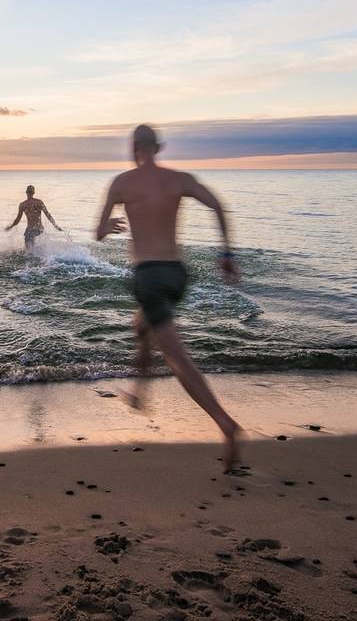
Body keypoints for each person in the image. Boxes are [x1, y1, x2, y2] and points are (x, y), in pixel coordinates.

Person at [95, 124, 244, 472]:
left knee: (177, 358)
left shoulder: (121, 183)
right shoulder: (180, 179)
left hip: (149, 277)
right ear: (158, 148)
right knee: (142, 326)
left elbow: (98, 233)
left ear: (133, 149)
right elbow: (218, 206)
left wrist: (111, 226)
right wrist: (227, 255)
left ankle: (226, 424)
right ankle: (140, 394)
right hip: (176, 275)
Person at [5, 185, 62, 252]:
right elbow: (48, 215)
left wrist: (11, 226)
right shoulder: (39, 202)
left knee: (29, 251)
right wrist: (55, 225)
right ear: (33, 193)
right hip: (39, 229)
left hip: (29, 230)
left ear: (26, 192)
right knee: (39, 250)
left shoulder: (23, 205)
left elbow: (17, 220)